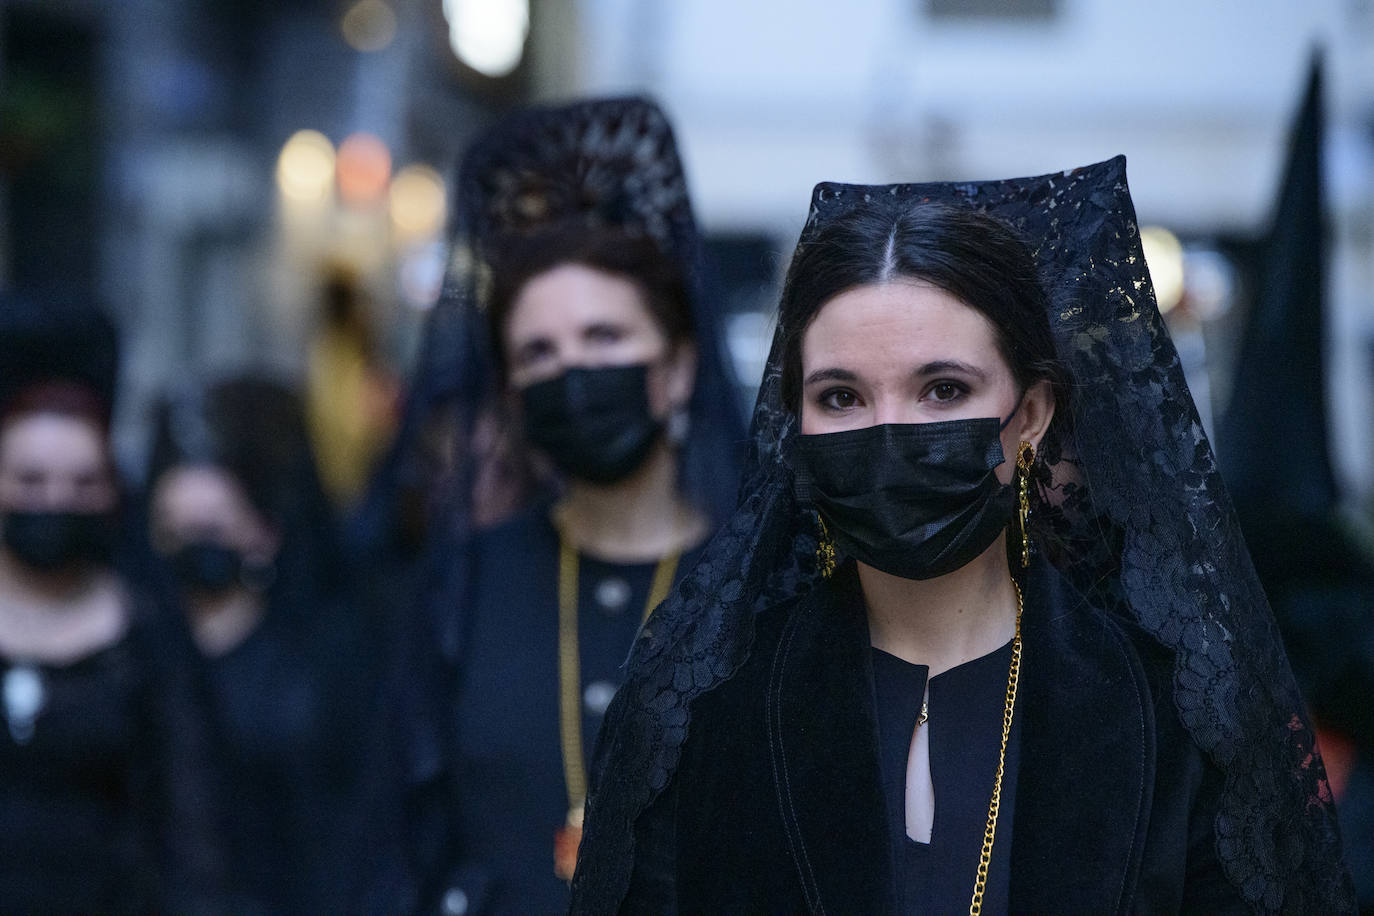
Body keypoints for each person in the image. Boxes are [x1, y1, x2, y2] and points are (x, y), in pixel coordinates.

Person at [570, 158, 1356, 912]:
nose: (890, 432)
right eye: (841, 397)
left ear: (1034, 416)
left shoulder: (1178, 715)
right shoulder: (706, 712)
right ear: (793, 426)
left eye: (943, 390)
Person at [389, 97, 745, 914]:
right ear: (510, 393)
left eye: (604, 339)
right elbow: (408, 831)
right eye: (538, 353)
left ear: (678, 368)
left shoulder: (759, 580)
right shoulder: (462, 585)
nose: (571, 371)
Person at [0, 291, 226, 912]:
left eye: (81, 482)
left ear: (109, 491)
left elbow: (190, 836)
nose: (55, 502)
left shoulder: (147, 632)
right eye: (31, 481)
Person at [143, 375, 380, 914]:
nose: (193, 548)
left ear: (264, 532)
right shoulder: (139, 647)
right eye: (173, 533)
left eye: (212, 528)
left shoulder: (321, 650)